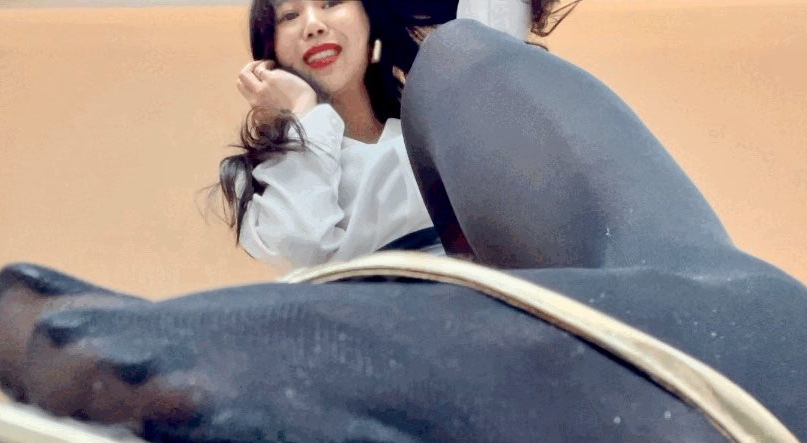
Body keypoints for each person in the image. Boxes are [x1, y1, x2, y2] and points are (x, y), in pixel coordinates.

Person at [216, 0, 574, 270]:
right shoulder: (265, 176)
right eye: (289, 15)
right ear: (270, 54)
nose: (313, 25)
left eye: (332, 2)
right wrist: (302, 114)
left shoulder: (443, 123)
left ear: (369, 20)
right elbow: (304, 252)